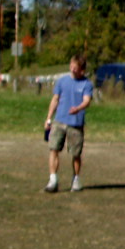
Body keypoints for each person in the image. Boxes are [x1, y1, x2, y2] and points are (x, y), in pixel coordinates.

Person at [44, 54, 93, 193]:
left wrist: (78, 108)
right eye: (71, 66)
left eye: (75, 68)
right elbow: (55, 99)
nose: (72, 69)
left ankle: (76, 179)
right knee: (53, 149)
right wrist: (48, 118)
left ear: (82, 70)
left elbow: (87, 100)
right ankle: (53, 179)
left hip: (75, 124)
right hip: (59, 121)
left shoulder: (87, 84)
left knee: (75, 153)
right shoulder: (62, 81)